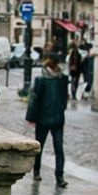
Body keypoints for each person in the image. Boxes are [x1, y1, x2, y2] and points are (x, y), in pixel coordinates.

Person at [25, 52, 68, 186]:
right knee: (39, 146)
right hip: (43, 118)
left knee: (59, 148)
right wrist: (32, 117)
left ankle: (59, 175)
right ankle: (36, 170)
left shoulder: (62, 78)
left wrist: (61, 108)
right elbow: (34, 98)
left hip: (57, 118)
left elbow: (64, 96)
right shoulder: (41, 79)